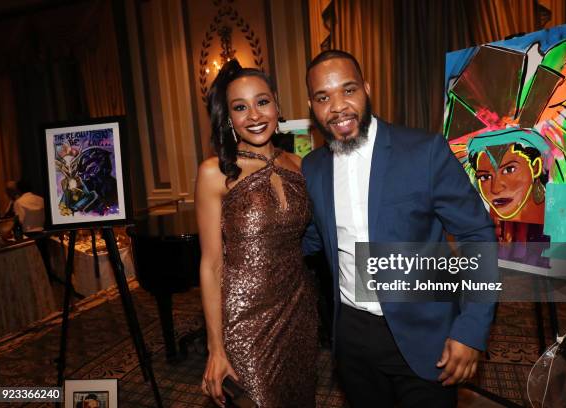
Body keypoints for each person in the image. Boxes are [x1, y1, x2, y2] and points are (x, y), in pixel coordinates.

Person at [301, 50, 497, 407]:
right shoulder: (312, 169)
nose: (338, 107)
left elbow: (477, 235)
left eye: (348, 90)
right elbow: (312, 239)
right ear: (312, 106)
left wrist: (471, 329)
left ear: (367, 88)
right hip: (352, 340)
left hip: (427, 336)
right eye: (323, 97)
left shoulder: (423, 152)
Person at [195, 59, 318, 407]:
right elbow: (211, 265)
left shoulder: (299, 164)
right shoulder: (213, 172)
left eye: (262, 102)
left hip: (298, 310)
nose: (254, 115)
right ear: (229, 118)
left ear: (277, 104)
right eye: (240, 107)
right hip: (244, 320)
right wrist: (215, 347)